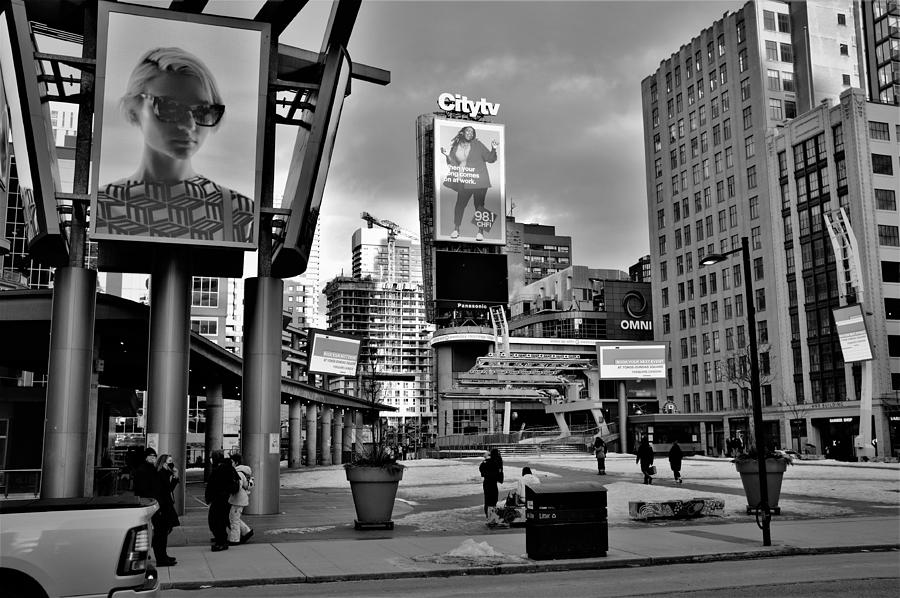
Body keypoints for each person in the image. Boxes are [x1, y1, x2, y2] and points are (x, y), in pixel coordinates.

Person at [95, 47, 253, 243]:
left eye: (203, 111)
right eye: (169, 107)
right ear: (133, 108)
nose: (189, 125)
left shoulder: (239, 211)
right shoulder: (101, 204)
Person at [440, 125, 499, 242]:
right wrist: (447, 155)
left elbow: (490, 159)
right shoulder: (456, 146)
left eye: (472, 132)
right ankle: (456, 229)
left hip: (479, 180)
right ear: (462, 132)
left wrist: (494, 148)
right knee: (459, 204)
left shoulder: (477, 144)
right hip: (465, 179)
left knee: (479, 206)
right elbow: (453, 164)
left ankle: (481, 232)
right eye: (468, 131)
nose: (470, 133)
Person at [205, 450, 239, 552]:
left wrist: (222, 492)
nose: (211, 459)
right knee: (217, 521)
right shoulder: (223, 467)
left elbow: (232, 485)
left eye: (212, 457)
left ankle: (221, 541)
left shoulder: (223, 468)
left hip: (221, 499)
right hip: (220, 498)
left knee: (217, 521)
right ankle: (220, 539)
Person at [151, 454, 180, 566]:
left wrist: (175, 476)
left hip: (165, 507)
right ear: (163, 463)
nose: (171, 464)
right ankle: (161, 558)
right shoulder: (160, 474)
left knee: (165, 530)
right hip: (162, 508)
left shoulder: (164, 474)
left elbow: (169, 489)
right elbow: (163, 491)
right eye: (169, 462)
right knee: (161, 533)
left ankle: (163, 555)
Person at [227, 453, 254, 546]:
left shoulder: (238, 473)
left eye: (232, 462)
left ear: (236, 462)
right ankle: (246, 531)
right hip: (241, 499)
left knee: (234, 520)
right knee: (234, 518)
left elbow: (236, 487)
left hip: (238, 499)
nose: (231, 463)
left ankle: (234, 539)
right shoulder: (244, 472)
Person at [478, 448, 504, 522]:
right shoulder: (495, 461)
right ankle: (490, 516)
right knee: (492, 499)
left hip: (487, 482)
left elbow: (481, 468)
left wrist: (485, 474)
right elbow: (499, 470)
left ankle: (489, 515)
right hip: (491, 483)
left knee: (488, 499)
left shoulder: (488, 461)